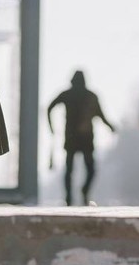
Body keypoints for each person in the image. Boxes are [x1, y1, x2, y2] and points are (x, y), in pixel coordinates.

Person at [47, 70, 116, 206]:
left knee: (71, 170)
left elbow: (50, 108)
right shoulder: (90, 96)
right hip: (84, 138)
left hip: (75, 138)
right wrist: (111, 127)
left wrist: (52, 128)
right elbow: (101, 116)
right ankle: (77, 194)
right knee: (86, 169)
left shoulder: (68, 94)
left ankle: (70, 197)